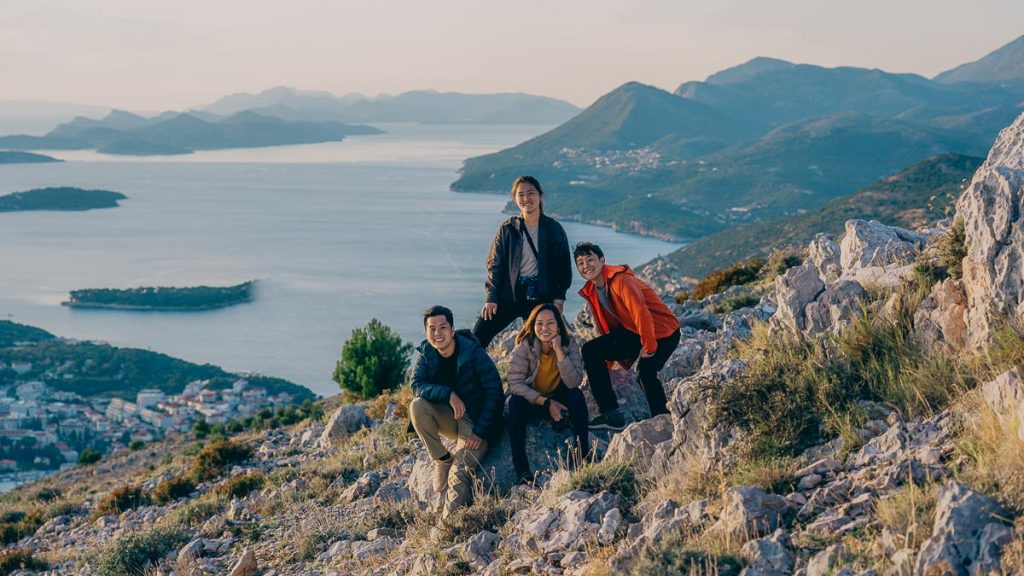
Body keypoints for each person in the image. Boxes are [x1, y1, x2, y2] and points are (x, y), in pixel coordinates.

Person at [573, 242, 681, 431]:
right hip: (633, 330)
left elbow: (641, 312)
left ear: (602, 260)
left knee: (646, 373)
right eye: (580, 263)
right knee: (590, 351)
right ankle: (611, 414)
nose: (585, 266)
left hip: (663, 332)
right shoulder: (594, 288)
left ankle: (663, 420)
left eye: (590, 260)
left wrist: (649, 346)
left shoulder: (620, 280)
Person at [409, 305, 504, 517]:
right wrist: (448, 394)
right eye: (432, 329)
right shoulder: (426, 353)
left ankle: (447, 527)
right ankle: (442, 458)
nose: (437, 333)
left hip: (476, 419)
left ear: (452, 330)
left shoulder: (472, 352)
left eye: (442, 327)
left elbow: (495, 392)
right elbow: (416, 385)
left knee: (460, 470)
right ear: (426, 332)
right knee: (417, 406)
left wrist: (480, 432)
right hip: (452, 417)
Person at [473, 176, 573, 349]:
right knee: (477, 338)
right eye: (521, 194)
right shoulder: (508, 229)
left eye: (531, 193)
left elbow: (563, 268)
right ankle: (472, 375)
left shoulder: (553, 229)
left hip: (541, 295)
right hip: (509, 294)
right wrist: (491, 298)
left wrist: (559, 299)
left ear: (540, 196)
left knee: (543, 345)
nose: (526, 199)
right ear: (515, 199)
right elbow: (494, 265)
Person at [505, 303, 591, 484]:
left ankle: (584, 458)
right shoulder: (524, 347)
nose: (544, 328)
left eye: (550, 323)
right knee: (514, 403)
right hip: (534, 401)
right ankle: (522, 471)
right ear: (533, 325)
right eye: (539, 323)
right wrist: (546, 403)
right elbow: (514, 383)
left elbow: (574, 381)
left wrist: (559, 351)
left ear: (558, 325)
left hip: (559, 397)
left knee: (576, 395)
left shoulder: (569, 344)